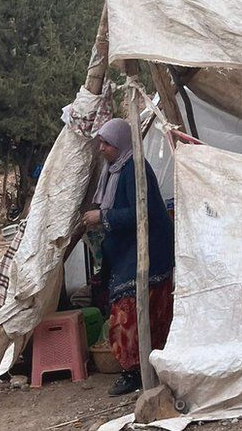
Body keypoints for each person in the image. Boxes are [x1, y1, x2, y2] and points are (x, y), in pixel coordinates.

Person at [82, 118, 175, 397]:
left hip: (148, 250)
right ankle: (140, 367)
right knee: (133, 309)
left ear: (120, 143)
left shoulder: (135, 169)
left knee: (132, 312)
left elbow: (141, 211)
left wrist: (103, 217)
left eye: (107, 143)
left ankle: (135, 371)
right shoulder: (113, 171)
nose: (102, 148)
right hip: (129, 250)